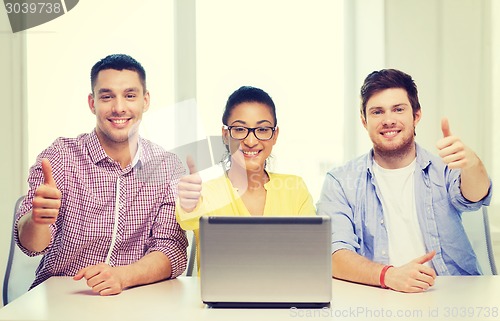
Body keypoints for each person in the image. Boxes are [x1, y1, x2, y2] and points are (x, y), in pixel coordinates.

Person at [15, 54, 188, 296]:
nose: (119, 108)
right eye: (107, 96)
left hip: (136, 298)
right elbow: (30, 246)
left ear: (145, 101)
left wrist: (122, 276)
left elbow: (172, 250)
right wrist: (37, 220)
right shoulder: (60, 157)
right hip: (63, 298)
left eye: (130, 95)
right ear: (92, 102)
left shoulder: (167, 167)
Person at [317, 69, 492, 293]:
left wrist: (472, 164)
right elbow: (334, 254)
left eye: (398, 109)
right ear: (364, 120)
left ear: (416, 115)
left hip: (450, 294)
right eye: (377, 112)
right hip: (378, 295)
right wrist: (387, 275)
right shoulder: (340, 181)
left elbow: (475, 196)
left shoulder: (444, 169)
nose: (388, 120)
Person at [176, 86, 316, 270]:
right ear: (225, 135)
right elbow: (187, 219)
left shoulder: (295, 188)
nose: (251, 141)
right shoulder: (206, 193)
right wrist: (188, 203)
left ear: (275, 135)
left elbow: (310, 255)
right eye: (240, 129)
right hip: (220, 298)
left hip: (284, 296)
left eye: (263, 129)